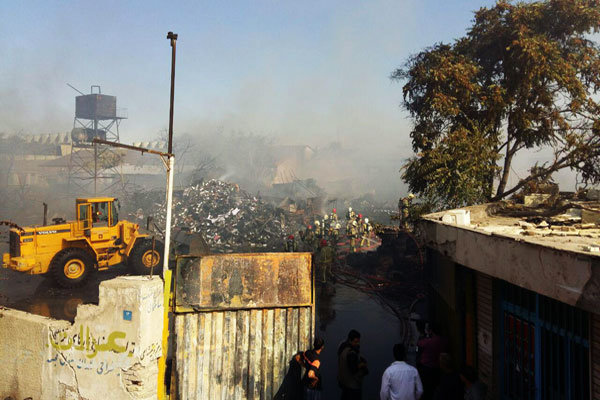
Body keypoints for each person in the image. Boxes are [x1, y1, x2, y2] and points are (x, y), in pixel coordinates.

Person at [417, 323, 448, 400]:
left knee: (426, 391)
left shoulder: (428, 342)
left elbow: (418, 345)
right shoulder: (444, 341)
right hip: (438, 369)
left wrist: (426, 336)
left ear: (431, 331)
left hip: (426, 370)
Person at [338, 329, 369, 399]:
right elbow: (353, 369)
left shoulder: (343, 349)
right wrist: (362, 365)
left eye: (358, 341)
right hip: (353, 387)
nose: (358, 343)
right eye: (356, 342)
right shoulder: (351, 353)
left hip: (344, 385)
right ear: (350, 340)